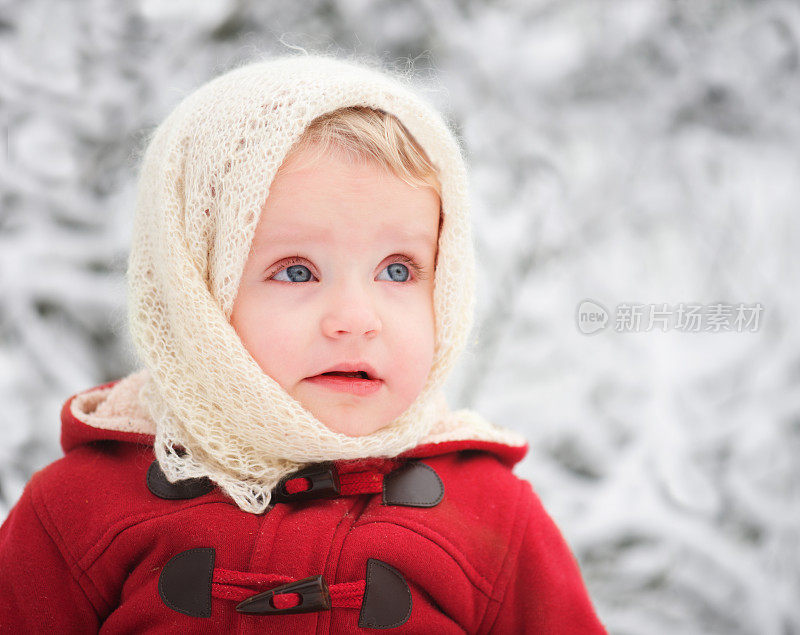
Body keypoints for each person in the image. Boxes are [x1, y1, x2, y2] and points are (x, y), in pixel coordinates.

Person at [0, 53, 607, 633]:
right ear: (196, 293)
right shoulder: (77, 510)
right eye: (296, 271)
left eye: (398, 270)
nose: (356, 319)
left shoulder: (493, 517)